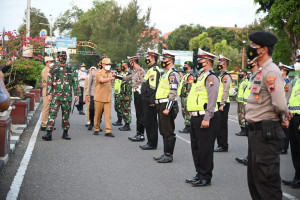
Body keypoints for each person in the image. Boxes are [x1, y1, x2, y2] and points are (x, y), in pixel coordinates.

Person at [245, 31, 289, 199]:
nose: (250, 49)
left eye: (253, 46)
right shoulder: (261, 71)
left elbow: (280, 104)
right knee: (255, 181)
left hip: (266, 132)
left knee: (267, 182)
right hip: (257, 132)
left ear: (263, 49)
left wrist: (284, 117)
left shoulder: (271, 71)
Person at [185, 48, 219, 187]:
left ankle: (205, 177)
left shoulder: (211, 77)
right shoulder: (200, 77)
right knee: (196, 148)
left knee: (205, 149)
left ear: (207, 62)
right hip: (195, 117)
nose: (198, 63)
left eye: (201, 61)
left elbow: (212, 99)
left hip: (205, 117)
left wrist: (207, 117)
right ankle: (199, 173)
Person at [42, 51, 79, 141]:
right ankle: (49, 133)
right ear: (58, 58)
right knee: (52, 114)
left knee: (66, 115)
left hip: (67, 96)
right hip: (55, 95)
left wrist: (77, 94)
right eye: (61, 56)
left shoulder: (71, 68)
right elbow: (49, 82)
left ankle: (65, 133)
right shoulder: (54, 68)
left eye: (64, 56)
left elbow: (75, 81)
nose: (63, 58)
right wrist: (49, 93)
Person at [153, 50, 180, 163]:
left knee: (168, 130)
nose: (163, 61)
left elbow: (173, 91)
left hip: (166, 105)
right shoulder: (165, 73)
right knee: (163, 130)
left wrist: (168, 108)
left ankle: (169, 155)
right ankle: (165, 153)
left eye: (164, 60)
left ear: (170, 61)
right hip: (161, 104)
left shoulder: (173, 74)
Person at [235, 59, 259, 166]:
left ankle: (253, 159)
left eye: (251, 61)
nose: (249, 63)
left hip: (255, 110)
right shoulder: (253, 77)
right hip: (249, 106)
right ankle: (249, 157)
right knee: (251, 137)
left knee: (255, 137)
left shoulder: (259, 76)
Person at [282, 49, 300, 189]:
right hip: (294, 117)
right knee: (294, 149)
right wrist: (288, 110)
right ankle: (297, 176)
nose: (297, 63)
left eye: (299, 61)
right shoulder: (298, 78)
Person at [116, 56, 145, 142]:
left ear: (133, 62)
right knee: (138, 115)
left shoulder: (140, 71)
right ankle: (138, 133)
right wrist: (116, 76)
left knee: (140, 115)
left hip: (140, 94)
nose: (129, 63)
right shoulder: (135, 72)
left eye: (130, 62)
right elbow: (126, 78)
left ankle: (141, 135)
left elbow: (144, 83)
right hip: (136, 93)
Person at [139, 49, 160, 150]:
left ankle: (152, 143)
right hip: (146, 100)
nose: (146, 59)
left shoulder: (154, 70)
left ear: (152, 58)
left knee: (151, 122)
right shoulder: (150, 70)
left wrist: (152, 101)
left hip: (149, 101)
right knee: (148, 121)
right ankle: (150, 141)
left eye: (148, 57)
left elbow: (153, 87)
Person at [93, 57, 115, 137]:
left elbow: (111, 84)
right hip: (99, 97)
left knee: (108, 115)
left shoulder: (111, 73)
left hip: (108, 98)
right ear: (102, 64)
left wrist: (113, 77)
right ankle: (96, 128)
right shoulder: (98, 73)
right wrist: (111, 78)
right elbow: (102, 80)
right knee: (98, 114)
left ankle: (108, 131)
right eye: (107, 64)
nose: (108, 66)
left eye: (109, 64)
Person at [214, 55, 232, 152]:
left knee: (222, 125)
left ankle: (223, 145)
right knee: (218, 124)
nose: (218, 65)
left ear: (224, 65)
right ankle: (219, 144)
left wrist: (222, 104)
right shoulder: (220, 75)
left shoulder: (226, 76)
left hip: (223, 103)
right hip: (218, 102)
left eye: (220, 63)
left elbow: (226, 90)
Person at [278, 62, 293, 154]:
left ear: (285, 72)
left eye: (281, 70)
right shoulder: (280, 81)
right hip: (279, 106)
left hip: (285, 107)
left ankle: (284, 147)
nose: (280, 71)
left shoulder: (287, 83)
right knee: (279, 128)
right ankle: (280, 146)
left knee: (285, 129)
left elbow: (287, 96)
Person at [86, 60, 103, 131]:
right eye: (99, 63)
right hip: (93, 93)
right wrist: (87, 94)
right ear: (97, 64)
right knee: (91, 109)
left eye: (102, 63)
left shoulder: (105, 73)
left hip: (101, 94)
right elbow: (89, 84)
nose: (100, 64)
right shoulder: (93, 72)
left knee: (100, 111)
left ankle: (98, 124)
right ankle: (91, 123)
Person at [178, 61, 194, 133]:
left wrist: (188, 97)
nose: (184, 66)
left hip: (187, 97)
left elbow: (189, 88)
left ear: (189, 66)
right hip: (182, 96)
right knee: (184, 112)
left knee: (187, 112)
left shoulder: (191, 76)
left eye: (185, 65)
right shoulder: (185, 75)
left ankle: (188, 126)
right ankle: (187, 125)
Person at [41, 56, 54, 131]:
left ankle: (49, 124)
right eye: (50, 62)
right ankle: (44, 124)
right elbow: (49, 80)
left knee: (51, 108)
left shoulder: (52, 70)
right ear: (46, 63)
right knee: (46, 108)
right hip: (46, 91)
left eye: (52, 61)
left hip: (53, 91)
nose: (52, 63)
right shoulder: (45, 70)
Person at [119, 60, 132, 131]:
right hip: (123, 94)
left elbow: (129, 85)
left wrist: (128, 95)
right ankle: (125, 124)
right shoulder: (124, 73)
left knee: (127, 110)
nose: (122, 65)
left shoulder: (129, 73)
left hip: (127, 95)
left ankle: (127, 125)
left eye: (123, 64)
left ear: (126, 64)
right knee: (123, 109)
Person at [235, 68, 248, 136]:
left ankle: (244, 130)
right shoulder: (241, 81)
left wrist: (245, 102)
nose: (240, 73)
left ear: (245, 74)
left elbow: (247, 93)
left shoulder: (246, 82)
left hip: (243, 102)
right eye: (240, 72)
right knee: (240, 116)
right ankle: (242, 129)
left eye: (242, 72)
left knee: (243, 116)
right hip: (239, 101)